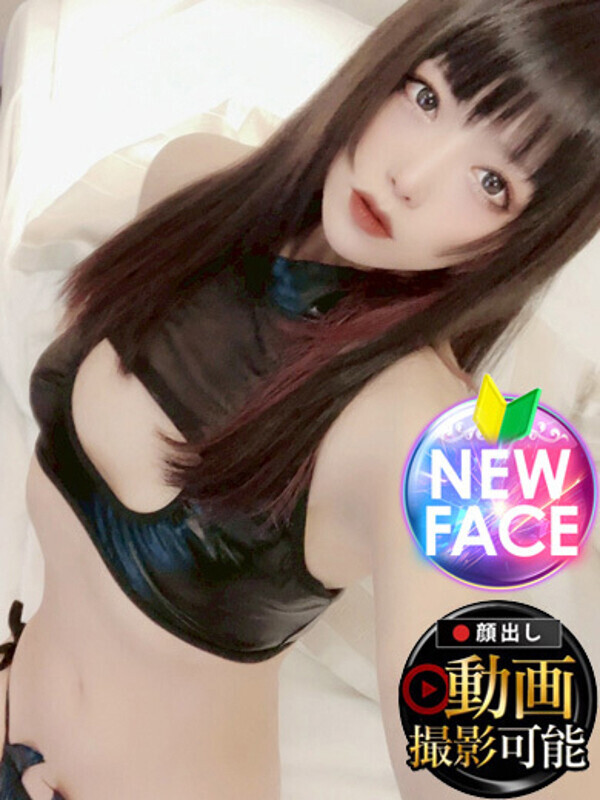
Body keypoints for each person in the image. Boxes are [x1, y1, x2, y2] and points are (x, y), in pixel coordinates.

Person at [1, 0, 599, 797]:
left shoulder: (423, 430)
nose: (410, 177)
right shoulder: (194, 184)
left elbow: (516, 750)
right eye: (425, 96)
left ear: (523, 239)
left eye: (492, 183)